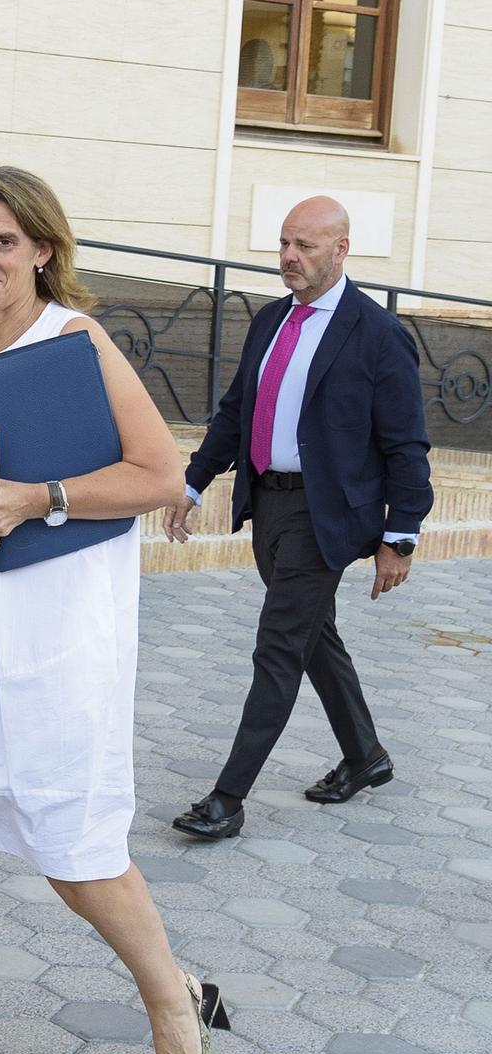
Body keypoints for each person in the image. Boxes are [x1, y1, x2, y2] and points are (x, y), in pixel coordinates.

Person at [0, 166, 225, 1054]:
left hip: (60, 624)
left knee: (73, 837)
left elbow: (160, 474)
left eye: (2, 241)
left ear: (41, 248)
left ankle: (174, 1004)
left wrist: (41, 499)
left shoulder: (73, 340)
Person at [166, 197, 433, 840]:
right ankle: (365, 755)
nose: (289, 257)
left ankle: (226, 800)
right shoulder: (270, 320)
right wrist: (195, 480)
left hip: (327, 514)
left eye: (305, 246)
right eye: (285, 244)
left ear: (341, 251)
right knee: (313, 634)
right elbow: (236, 409)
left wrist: (402, 535)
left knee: (279, 645)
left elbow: (406, 443)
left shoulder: (377, 333)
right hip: (269, 503)